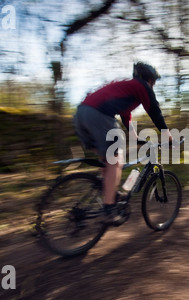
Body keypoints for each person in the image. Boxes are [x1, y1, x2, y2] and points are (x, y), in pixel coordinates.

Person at [74, 62, 173, 224]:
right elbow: (155, 111)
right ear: (149, 79)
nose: (153, 86)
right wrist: (168, 136)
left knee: (108, 161)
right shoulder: (141, 86)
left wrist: (134, 137)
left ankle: (108, 193)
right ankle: (108, 208)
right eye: (153, 82)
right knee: (116, 160)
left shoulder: (126, 89)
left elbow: (125, 115)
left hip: (81, 114)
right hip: (98, 114)